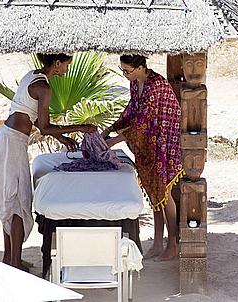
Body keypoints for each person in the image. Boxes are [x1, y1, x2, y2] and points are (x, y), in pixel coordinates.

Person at [0, 53, 96, 271]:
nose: (67, 69)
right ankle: (14, 263)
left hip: (7, 138)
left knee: (10, 197)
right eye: (67, 65)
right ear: (57, 64)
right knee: (17, 200)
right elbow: (46, 127)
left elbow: (37, 120)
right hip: (12, 142)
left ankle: (11, 258)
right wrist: (80, 127)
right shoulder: (44, 88)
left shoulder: (33, 76)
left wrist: (62, 137)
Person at [102, 55, 184, 260]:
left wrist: (113, 141)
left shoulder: (155, 85)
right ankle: (157, 243)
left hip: (164, 141)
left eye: (127, 71)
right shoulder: (136, 83)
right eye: (122, 71)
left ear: (140, 67)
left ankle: (172, 244)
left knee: (164, 194)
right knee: (154, 194)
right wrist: (110, 128)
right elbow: (131, 110)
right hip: (148, 142)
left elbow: (142, 121)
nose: (125, 75)